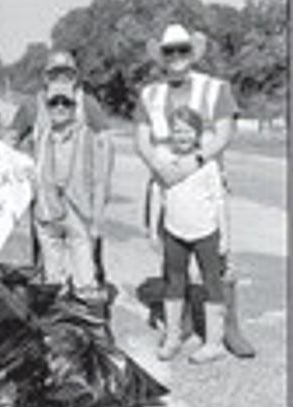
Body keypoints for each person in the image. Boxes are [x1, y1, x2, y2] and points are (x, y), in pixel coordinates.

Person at [135, 23, 255, 363]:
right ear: (161, 56)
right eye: (169, 51)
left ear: (192, 53)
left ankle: (228, 330)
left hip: (203, 178)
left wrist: (196, 161)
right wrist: (160, 168)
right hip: (164, 183)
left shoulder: (216, 88)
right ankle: (181, 326)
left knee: (218, 263)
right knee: (172, 260)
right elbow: (142, 139)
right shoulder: (150, 94)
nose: (176, 57)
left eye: (182, 50)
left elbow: (224, 132)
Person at [9, 50, 114, 282]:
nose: (61, 78)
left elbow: (105, 145)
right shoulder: (32, 105)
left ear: (75, 76)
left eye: (66, 73)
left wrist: (101, 193)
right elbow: (11, 140)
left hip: (81, 202)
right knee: (48, 267)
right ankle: (54, 308)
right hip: (46, 202)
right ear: (46, 77)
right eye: (55, 73)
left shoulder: (87, 103)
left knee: (88, 264)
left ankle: (89, 307)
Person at [32, 81, 109, 297]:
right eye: (54, 102)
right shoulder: (40, 136)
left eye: (65, 102)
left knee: (85, 280)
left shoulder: (88, 136)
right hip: (47, 214)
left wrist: (97, 219)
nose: (59, 107)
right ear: (47, 107)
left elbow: (99, 181)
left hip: (79, 215)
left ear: (75, 106)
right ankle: (58, 326)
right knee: (54, 283)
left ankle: (86, 325)